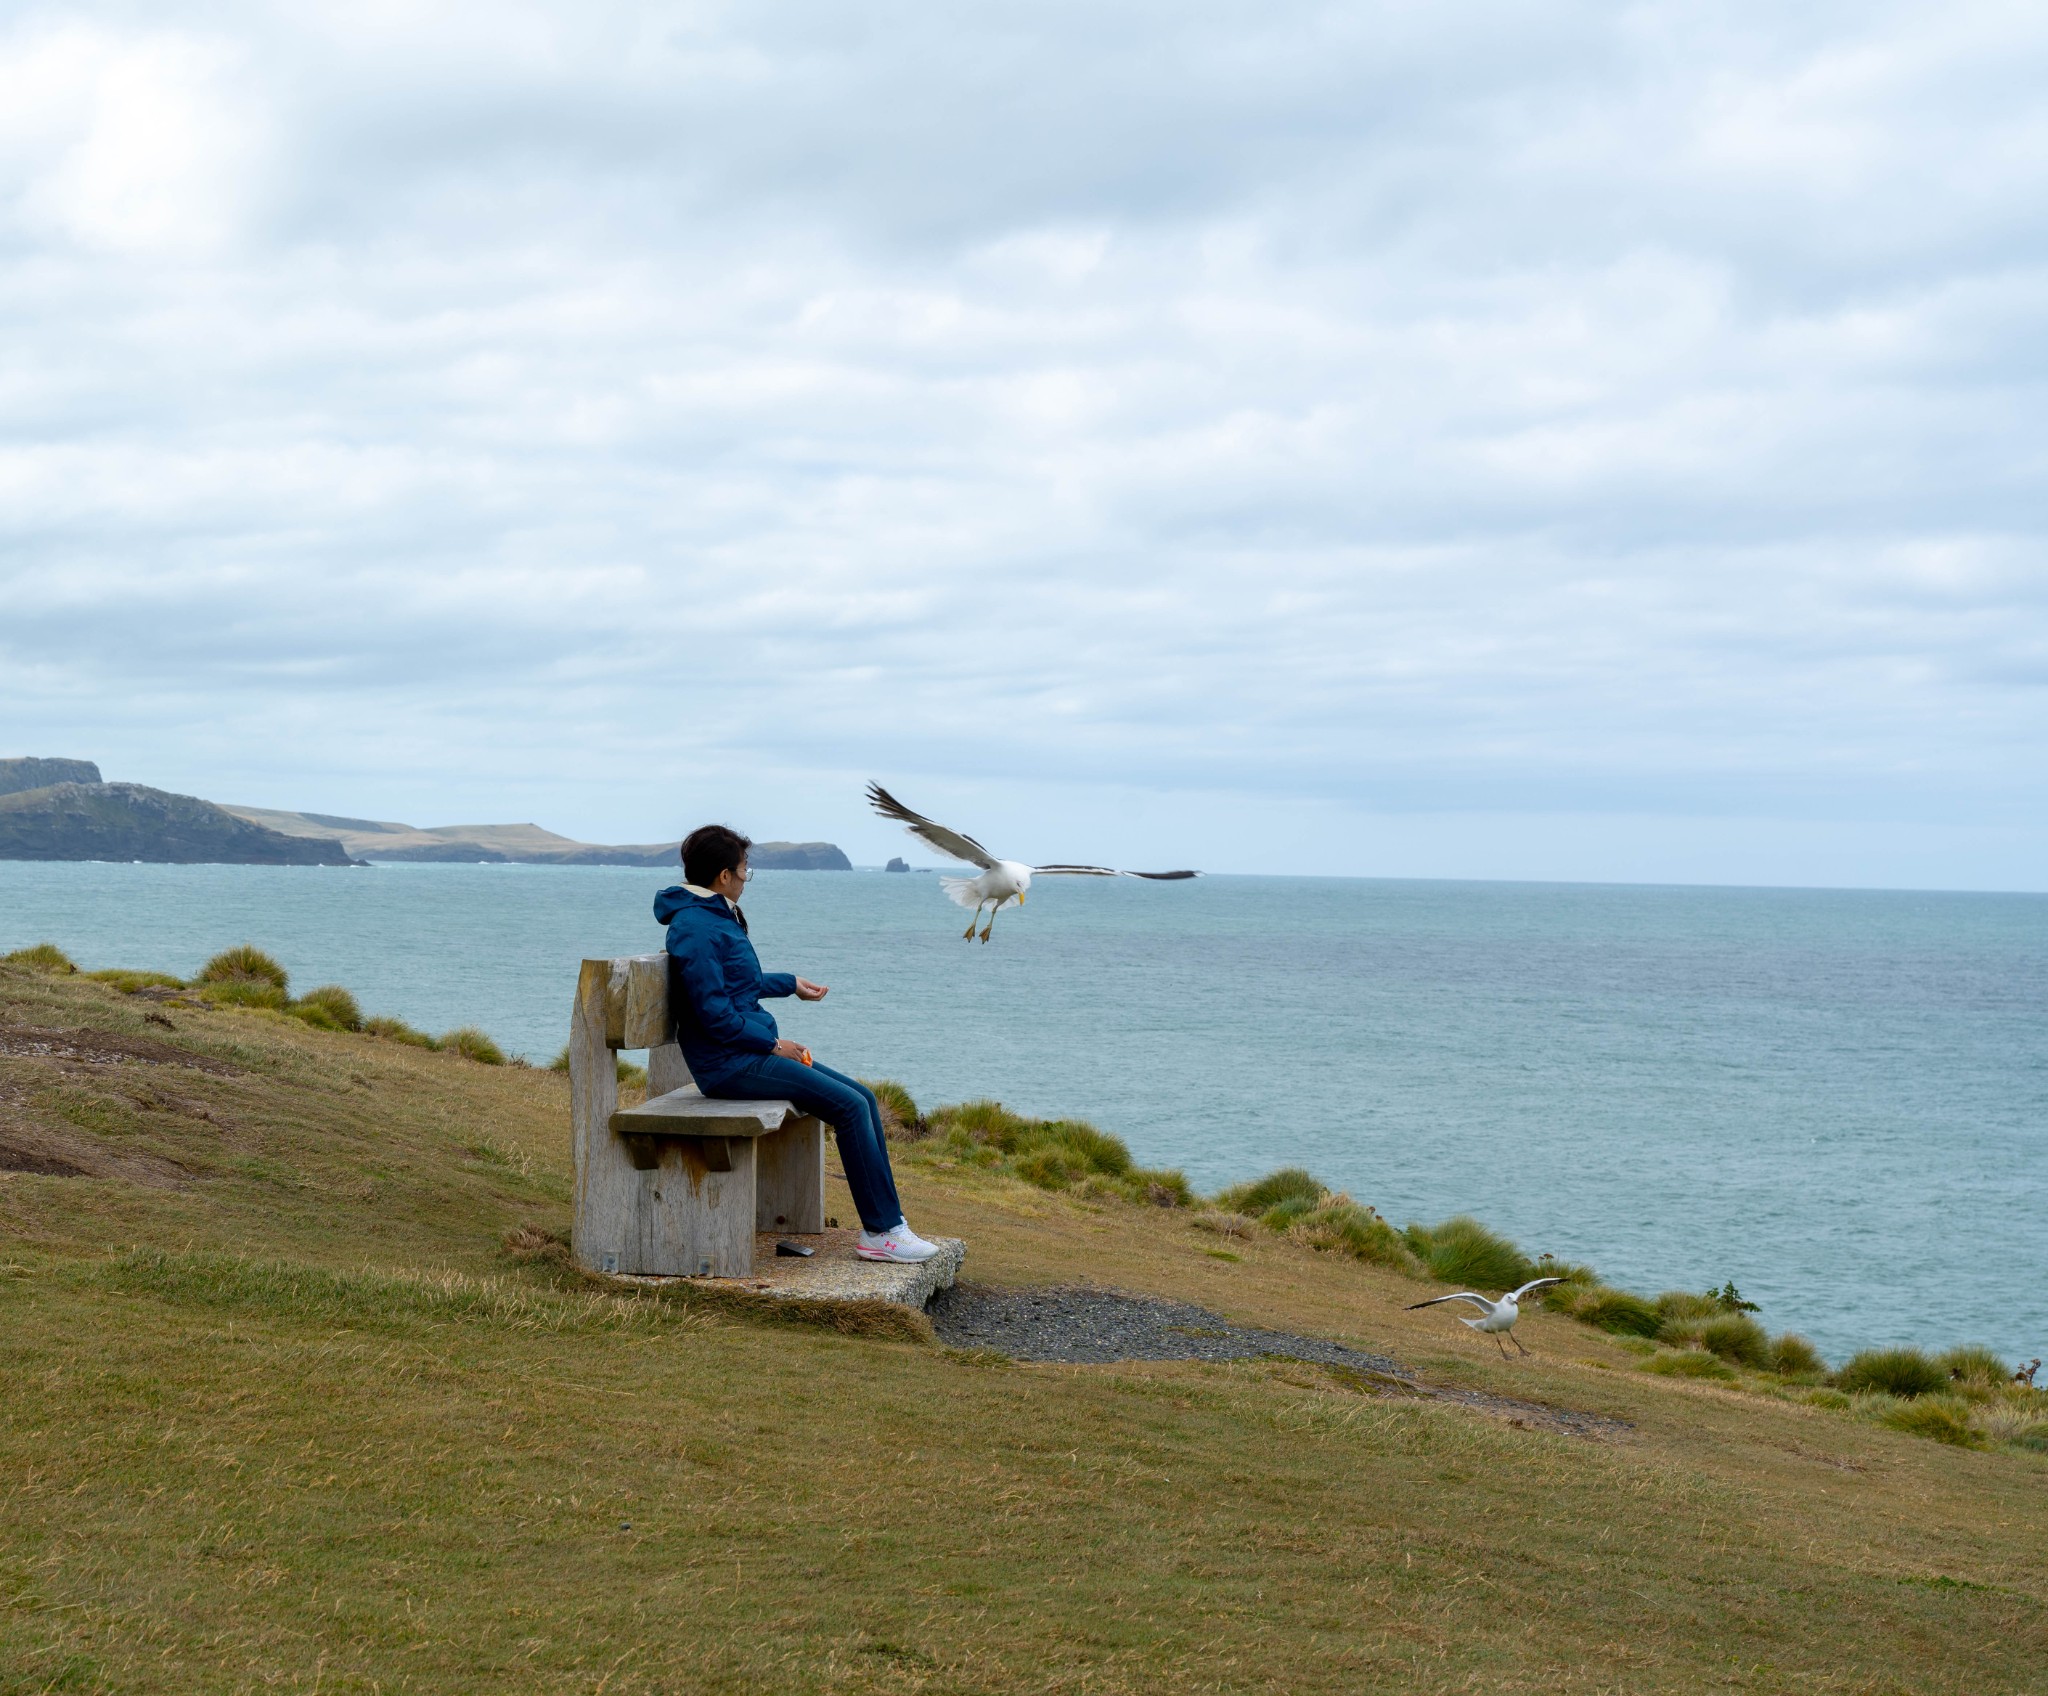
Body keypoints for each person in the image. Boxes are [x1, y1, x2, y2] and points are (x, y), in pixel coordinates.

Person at [653, 823, 940, 1264]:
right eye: (746, 869)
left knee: (861, 1098)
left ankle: (889, 1226)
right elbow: (711, 1012)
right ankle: (881, 1233)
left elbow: (734, 983)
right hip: (729, 1064)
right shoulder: (696, 926)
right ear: (724, 875)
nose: (748, 877)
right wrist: (771, 1045)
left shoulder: (711, 915)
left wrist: (789, 985)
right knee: (847, 1108)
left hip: (742, 1051)